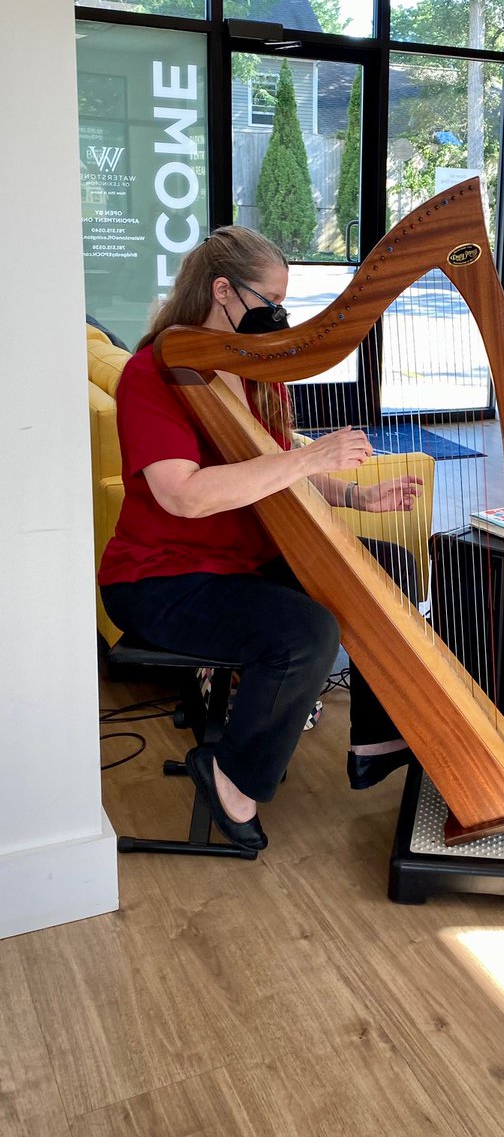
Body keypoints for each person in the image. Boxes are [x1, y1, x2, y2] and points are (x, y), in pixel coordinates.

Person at [99, 226, 423, 852]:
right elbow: (183, 495)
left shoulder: (251, 369)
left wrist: (354, 496)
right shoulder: (152, 373)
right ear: (223, 291)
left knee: (387, 567)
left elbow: (270, 466)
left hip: (241, 561)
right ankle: (231, 773)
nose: (280, 316)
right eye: (270, 300)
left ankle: (372, 739)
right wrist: (308, 460)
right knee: (305, 633)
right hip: (160, 578)